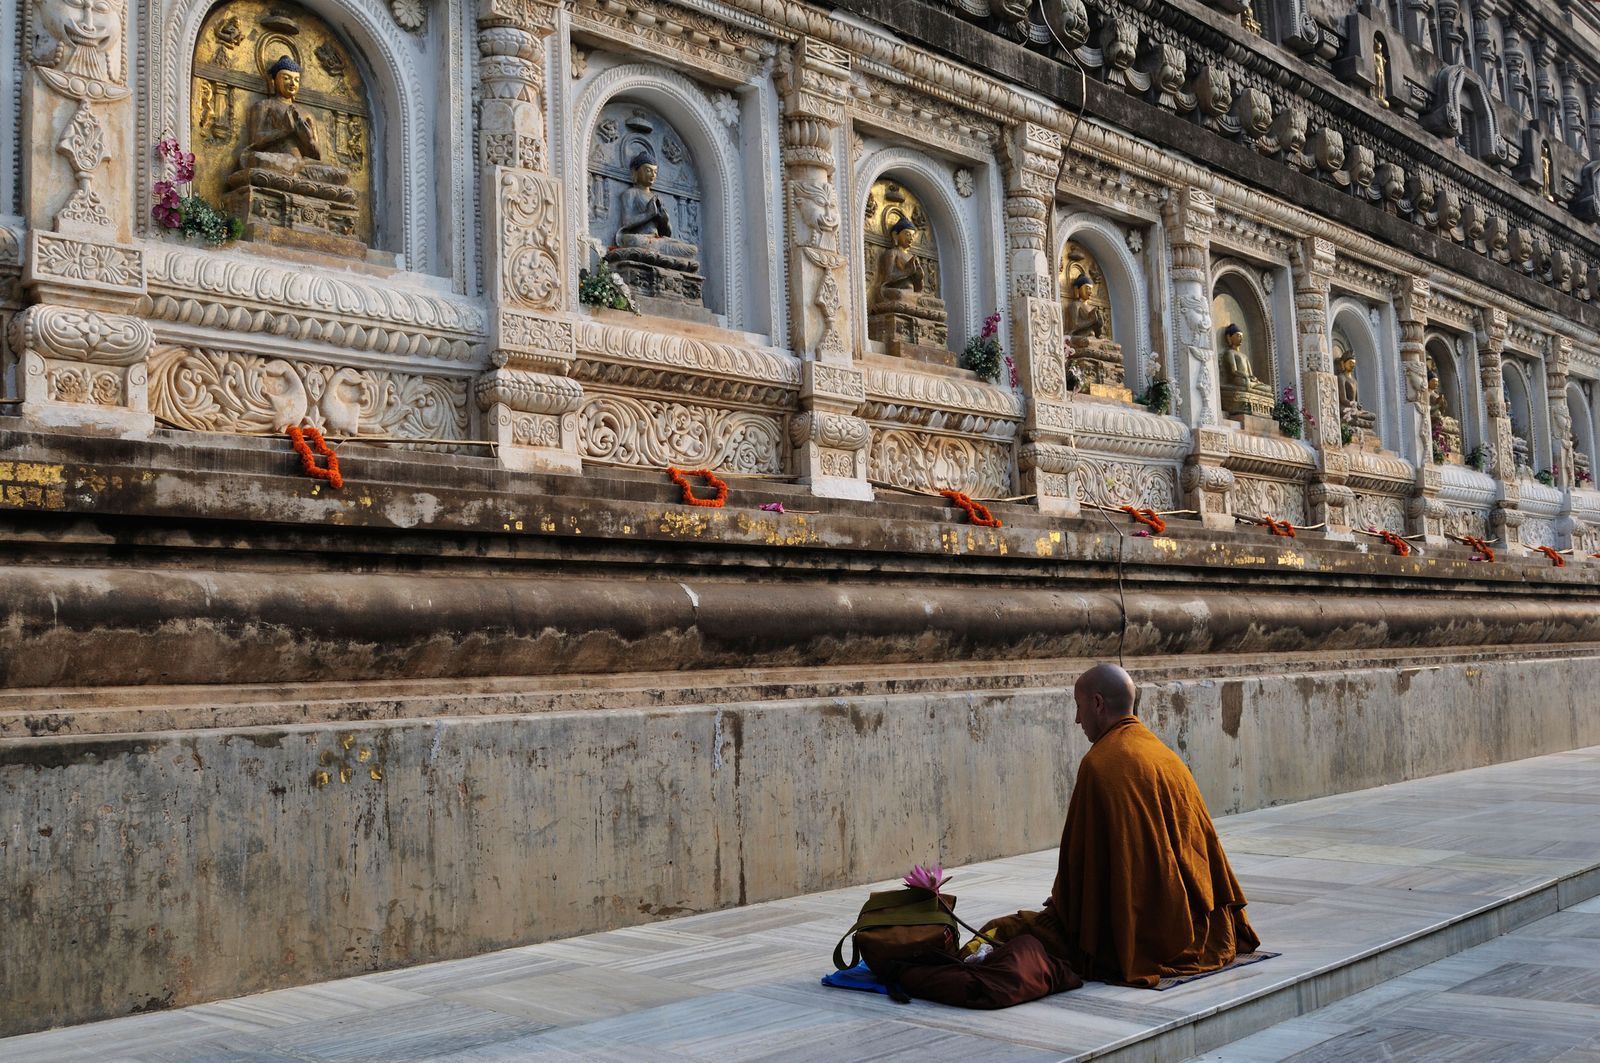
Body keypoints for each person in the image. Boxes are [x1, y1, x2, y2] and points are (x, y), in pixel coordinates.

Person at [975, 663, 1260, 987]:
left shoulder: (1098, 764)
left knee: (1000, 931)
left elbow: (1082, 872)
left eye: (1079, 707)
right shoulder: (1165, 756)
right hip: (1203, 928)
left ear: (1097, 704)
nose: (1077, 720)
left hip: (1140, 934)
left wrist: (1063, 903)